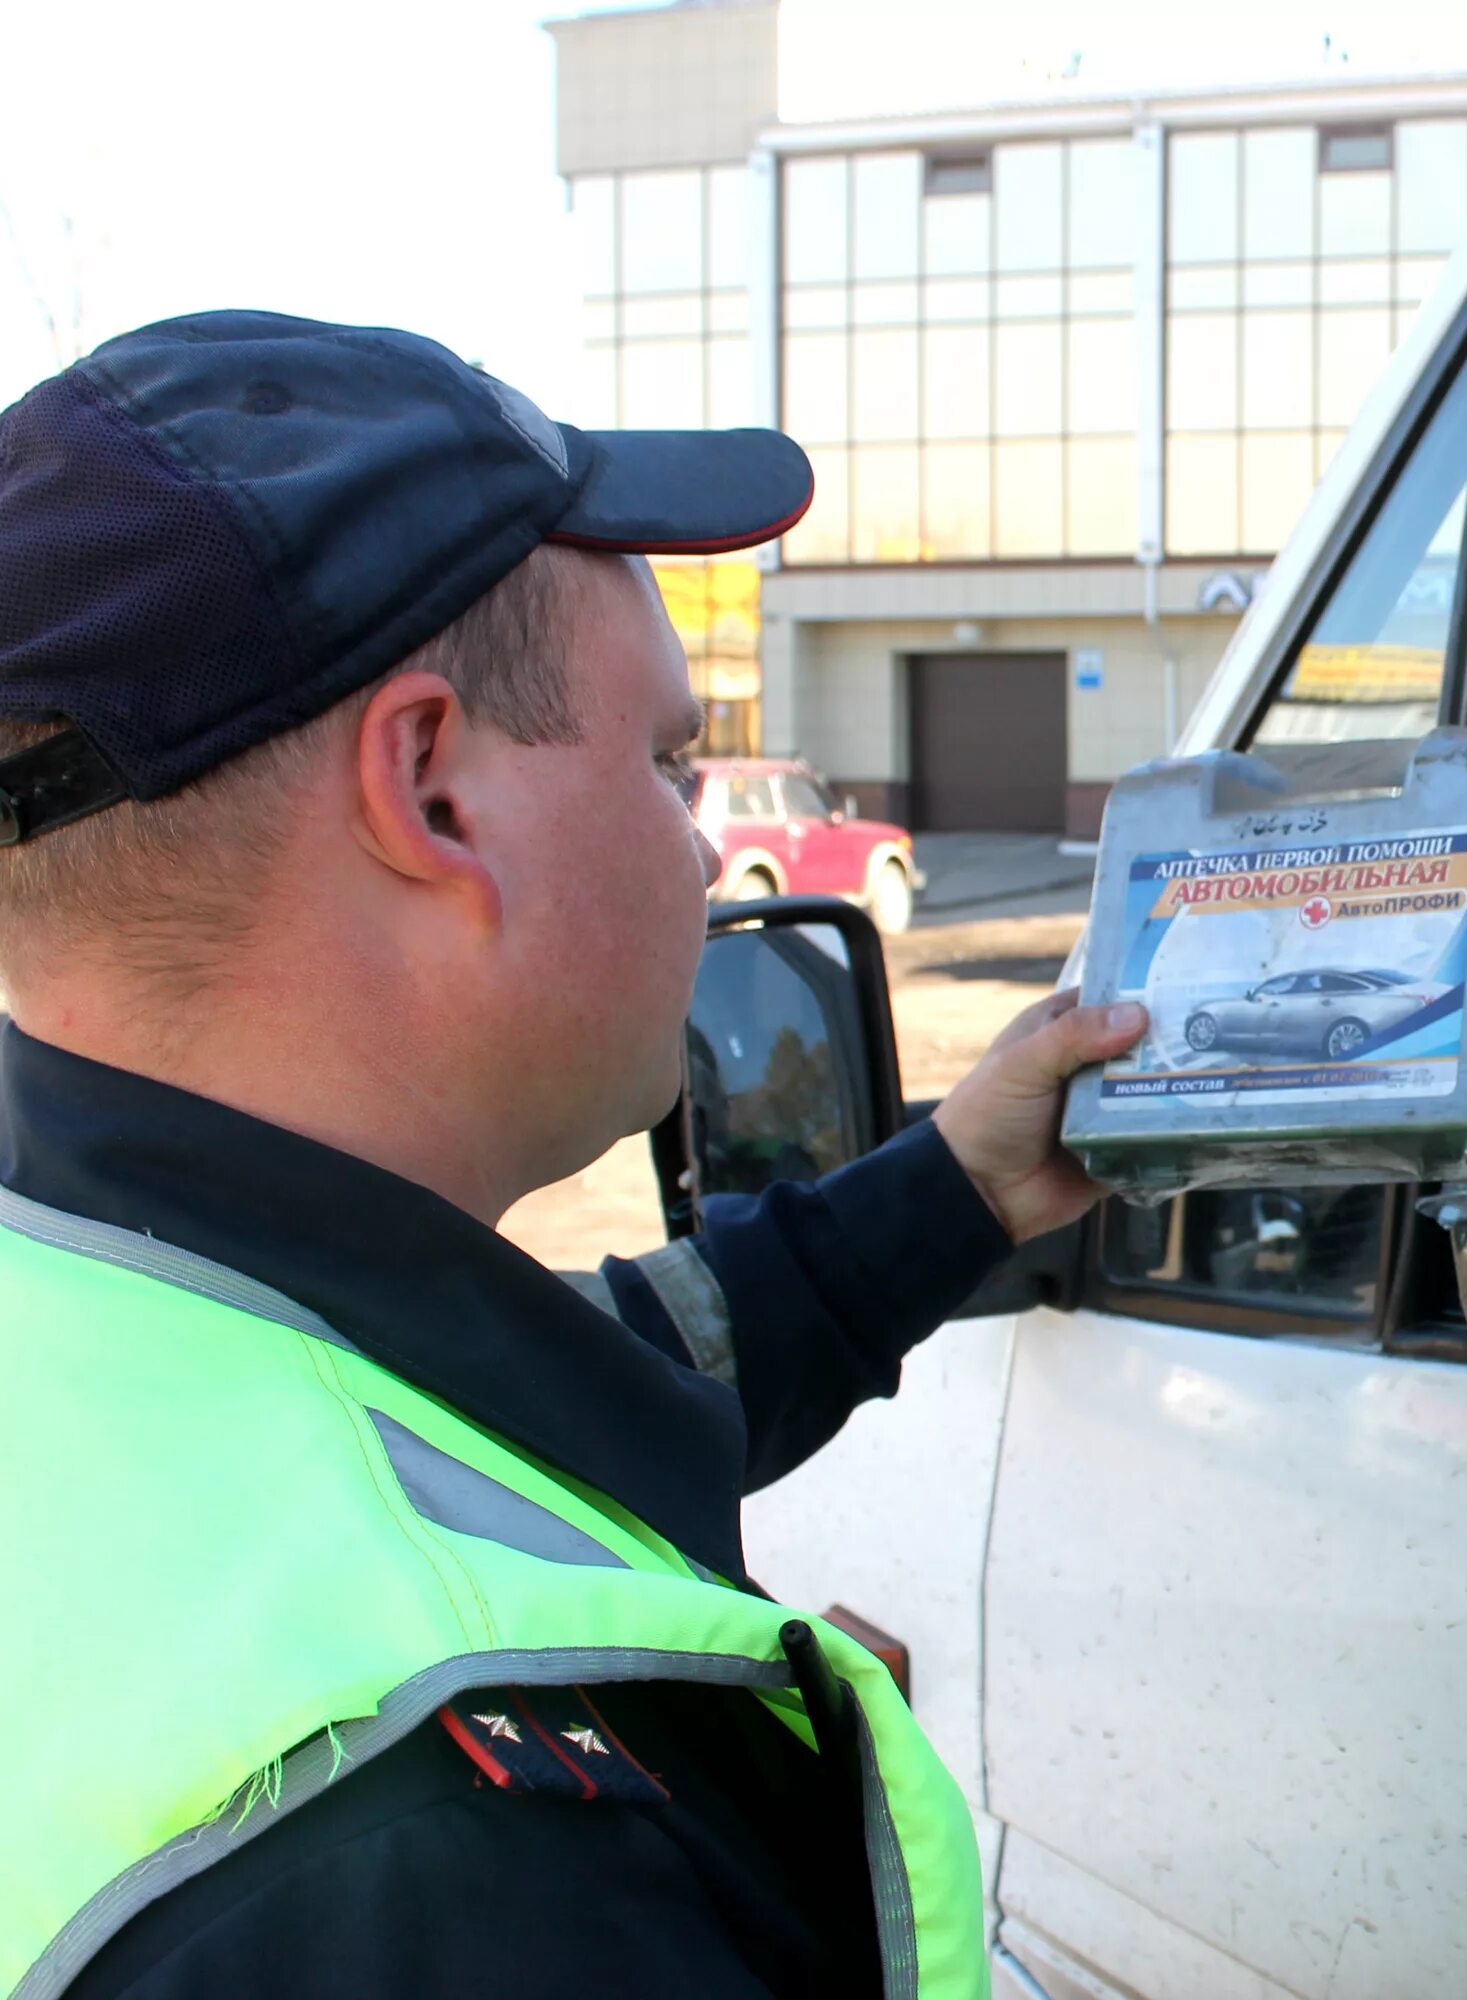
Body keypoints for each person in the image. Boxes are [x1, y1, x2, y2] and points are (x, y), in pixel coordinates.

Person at [0, 311, 1142, 1998]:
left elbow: (530, 1400)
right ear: (435, 793)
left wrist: (955, 1184)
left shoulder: (110, 1307)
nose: (702, 852)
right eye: (671, 761)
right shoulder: (473, 1846)